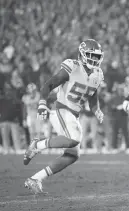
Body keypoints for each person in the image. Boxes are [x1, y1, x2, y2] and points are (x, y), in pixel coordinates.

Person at [23, 39, 105, 194]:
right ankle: (37, 145)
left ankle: (35, 178)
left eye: (96, 56)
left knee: (72, 155)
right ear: (82, 54)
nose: (94, 60)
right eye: (90, 55)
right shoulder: (73, 67)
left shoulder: (98, 74)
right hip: (61, 108)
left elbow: (93, 95)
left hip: (74, 114)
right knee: (74, 138)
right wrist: (42, 103)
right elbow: (49, 84)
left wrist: (96, 109)